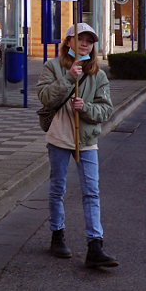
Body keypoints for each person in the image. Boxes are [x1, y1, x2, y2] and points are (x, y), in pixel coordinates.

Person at [36, 23, 118, 268]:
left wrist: (86, 108)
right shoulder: (52, 67)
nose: (84, 44)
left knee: (91, 191)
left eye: (89, 41)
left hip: (86, 140)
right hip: (60, 137)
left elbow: (106, 110)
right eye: (80, 39)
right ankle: (57, 234)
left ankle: (95, 244)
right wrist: (69, 78)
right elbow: (45, 97)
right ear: (69, 41)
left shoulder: (98, 74)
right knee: (57, 189)